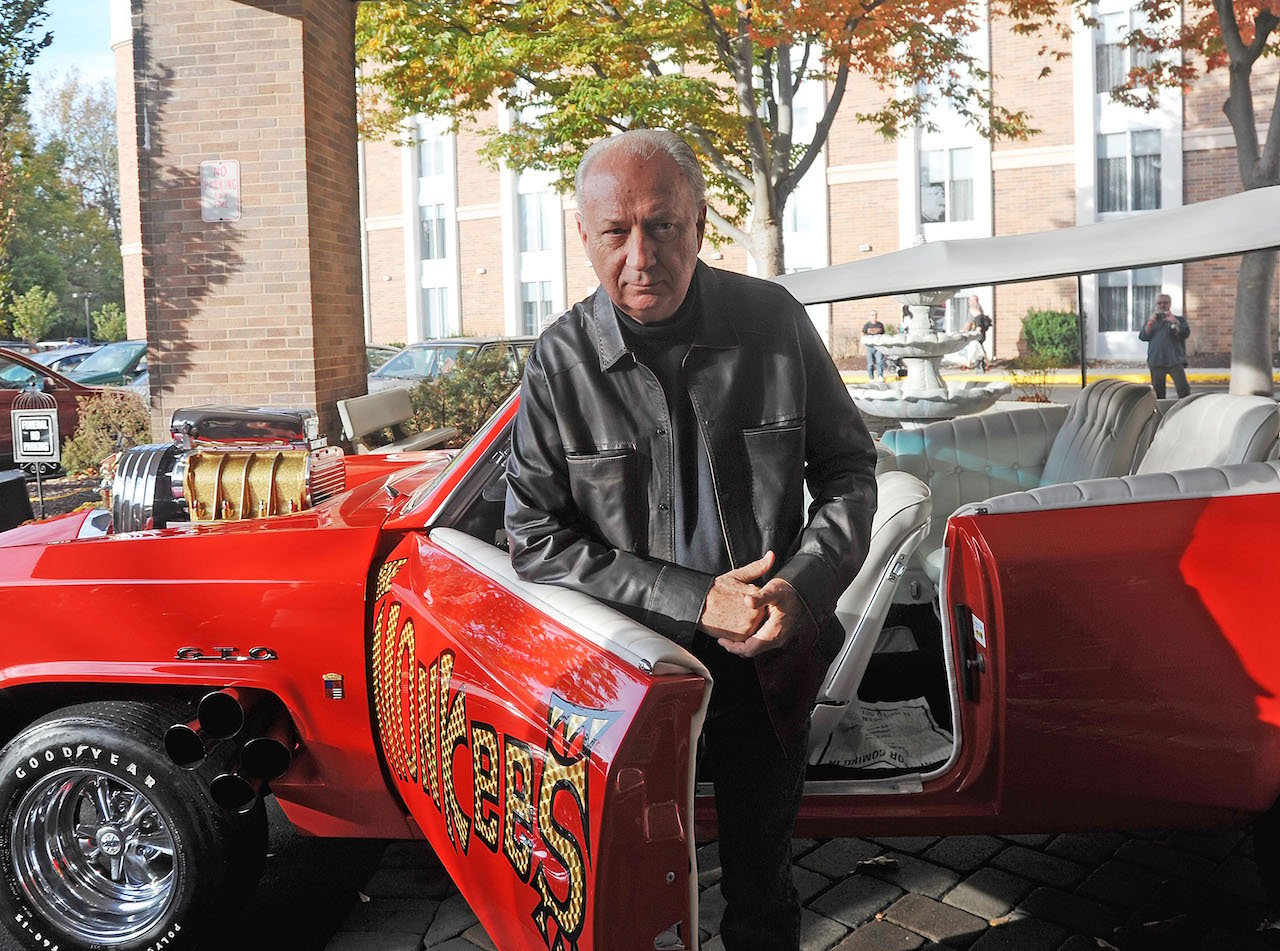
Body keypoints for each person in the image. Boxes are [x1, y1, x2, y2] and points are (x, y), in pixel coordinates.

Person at [504, 129, 878, 951]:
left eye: (663, 225)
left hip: (767, 663)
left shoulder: (773, 323)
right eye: (615, 232)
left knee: (763, 889)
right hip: (632, 679)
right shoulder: (560, 361)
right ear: (584, 237)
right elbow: (531, 534)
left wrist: (803, 587)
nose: (641, 254)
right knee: (615, 896)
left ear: (700, 222)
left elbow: (851, 470)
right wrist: (691, 597)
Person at [1138, 293, 1191, 398]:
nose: (1162, 305)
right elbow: (1143, 336)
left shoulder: (1179, 319)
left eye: (1165, 303)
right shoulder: (1151, 321)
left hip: (1175, 361)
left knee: (1183, 391)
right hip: (1156, 362)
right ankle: (1162, 413)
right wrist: (1150, 322)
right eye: (1159, 303)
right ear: (1155, 305)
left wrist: (1174, 322)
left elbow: (1185, 334)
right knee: (1158, 394)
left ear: (1170, 304)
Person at [962, 295, 992, 372]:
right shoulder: (980, 309)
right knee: (979, 349)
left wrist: (963, 331)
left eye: (970, 300)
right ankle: (981, 365)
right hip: (981, 333)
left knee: (976, 349)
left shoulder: (974, 310)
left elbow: (971, 322)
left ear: (975, 301)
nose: (969, 302)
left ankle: (978, 365)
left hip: (977, 333)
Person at [862, 309, 886, 381]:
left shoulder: (880, 325)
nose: (874, 316)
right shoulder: (867, 325)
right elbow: (862, 333)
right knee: (870, 363)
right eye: (872, 315)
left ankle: (880, 376)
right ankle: (871, 377)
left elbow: (883, 335)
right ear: (870, 316)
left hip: (878, 347)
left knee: (880, 361)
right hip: (870, 347)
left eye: (875, 315)